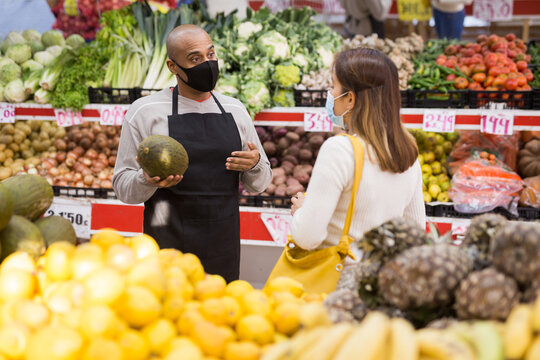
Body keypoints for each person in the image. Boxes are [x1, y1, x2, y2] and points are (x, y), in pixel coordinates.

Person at [113, 24, 272, 282]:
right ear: (173, 67)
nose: (207, 64)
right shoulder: (144, 111)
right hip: (167, 242)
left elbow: (260, 185)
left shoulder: (236, 109)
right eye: (195, 59)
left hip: (223, 241)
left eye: (211, 55)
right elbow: (122, 188)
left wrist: (254, 165)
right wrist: (146, 179)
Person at [289, 48, 425, 257]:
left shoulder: (339, 150)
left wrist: (300, 212)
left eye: (333, 86)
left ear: (350, 99)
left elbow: (308, 237)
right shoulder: (407, 153)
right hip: (381, 281)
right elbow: (415, 235)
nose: (330, 94)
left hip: (339, 280)